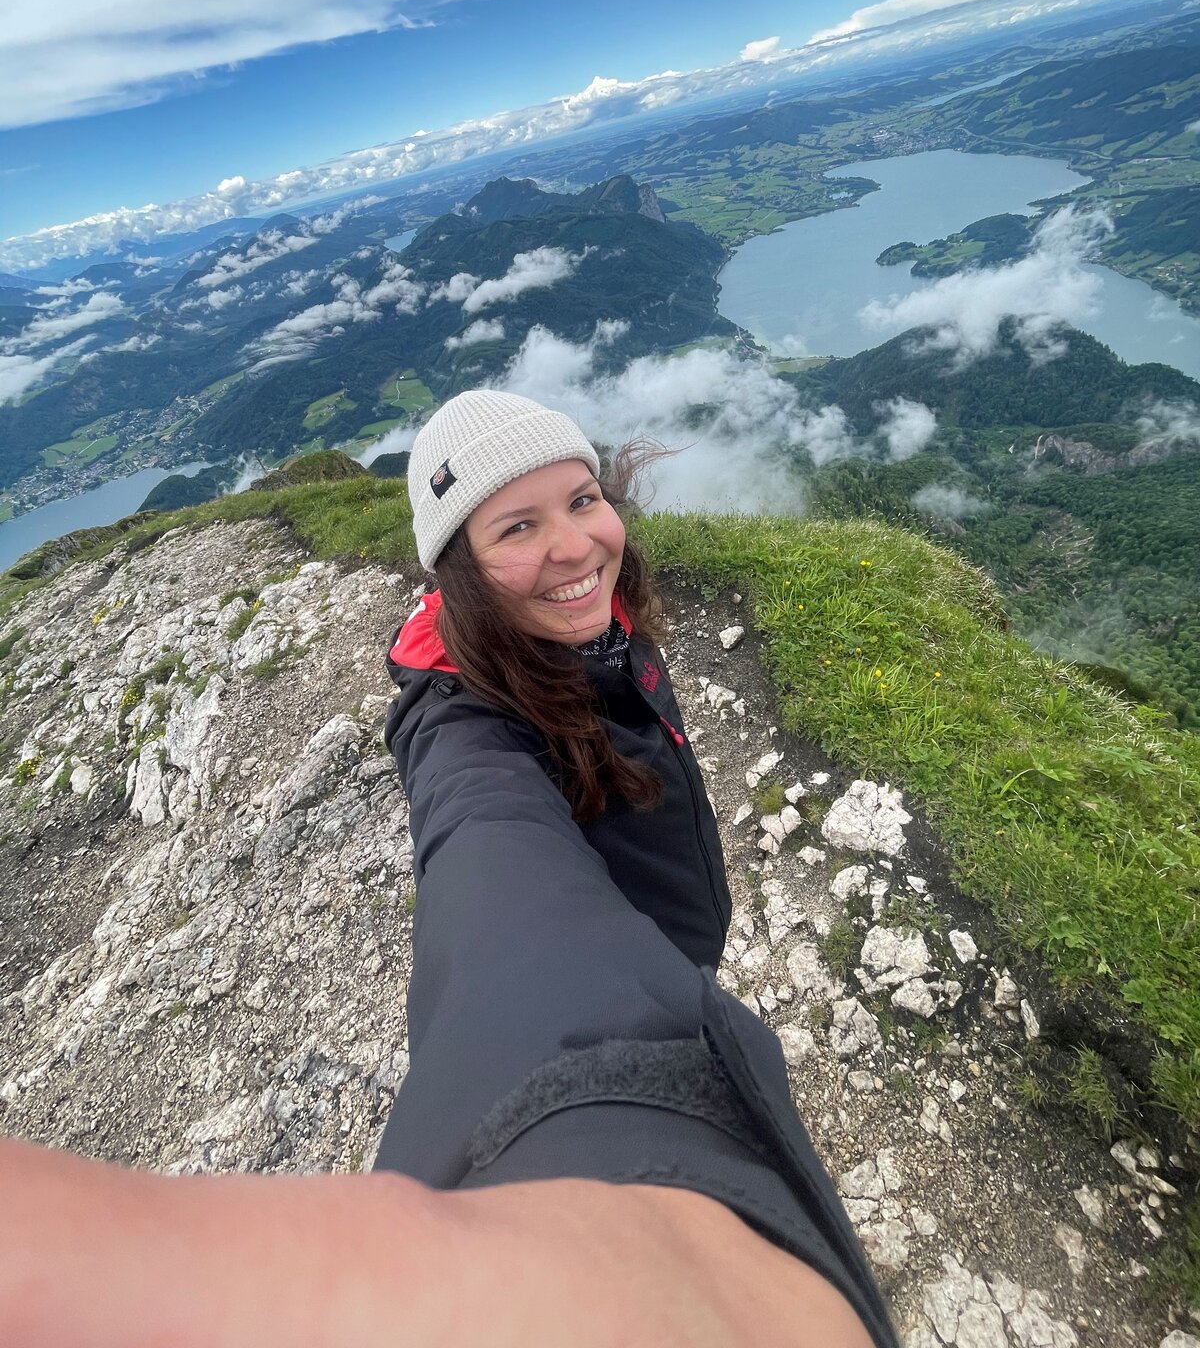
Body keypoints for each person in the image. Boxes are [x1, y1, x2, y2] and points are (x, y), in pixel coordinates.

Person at [0, 390, 897, 1348]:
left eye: (584, 500)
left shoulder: (591, 619)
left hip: (670, 936)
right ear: (458, 568)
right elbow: (499, 883)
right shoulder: (461, 733)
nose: (577, 546)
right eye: (518, 526)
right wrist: (605, 1147)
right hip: (634, 969)